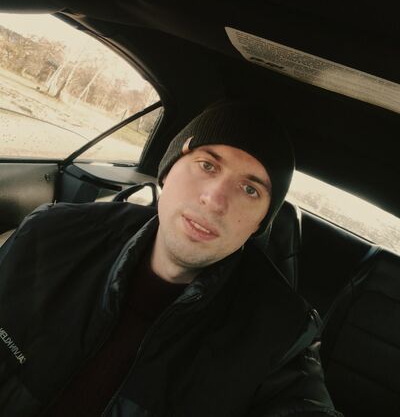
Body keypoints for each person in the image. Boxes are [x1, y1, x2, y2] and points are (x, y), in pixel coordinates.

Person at [0, 100, 342, 417]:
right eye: (207, 165)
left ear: (259, 224)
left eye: (249, 189)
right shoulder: (51, 234)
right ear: (167, 170)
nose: (214, 200)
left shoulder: (280, 337)